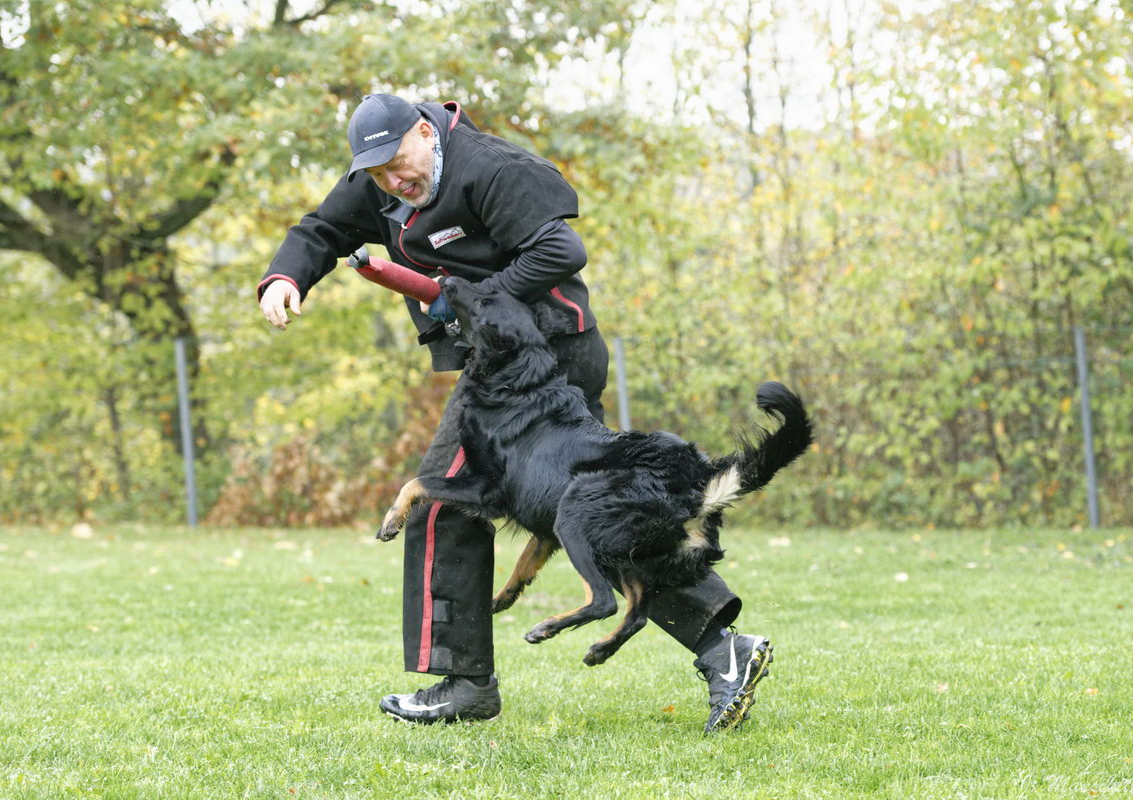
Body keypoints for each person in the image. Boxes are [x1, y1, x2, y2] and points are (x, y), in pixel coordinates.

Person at [258, 93, 773, 732]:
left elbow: (562, 252)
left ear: (426, 132)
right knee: (609, 515)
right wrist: (287, 278)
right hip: (501, 368)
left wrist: (475, 301)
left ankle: (463, 685)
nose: (394, 181)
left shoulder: (496, 170)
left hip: (551, 354)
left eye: (399, 164)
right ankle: (726, 654)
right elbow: (322, 229)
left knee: (442, 497)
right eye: (379, 174)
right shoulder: (382, 181)